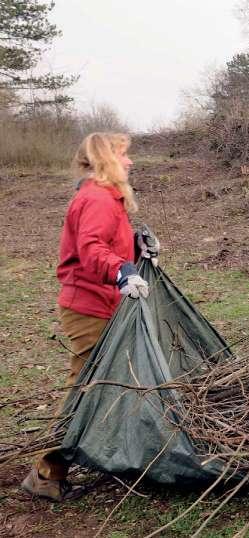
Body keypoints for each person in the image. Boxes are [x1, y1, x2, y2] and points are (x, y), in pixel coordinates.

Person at [21, 132, 158, 501]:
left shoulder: (106, 198)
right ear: (106, 159)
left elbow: (107, 242)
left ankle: (122, 455)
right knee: (85, 390)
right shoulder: (97, 198)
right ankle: (46, 472)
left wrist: (136, 246)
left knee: (108, 385)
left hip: (103, 305)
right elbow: (92, 248)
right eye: (123, 156)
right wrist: (121, 271)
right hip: (89, 308)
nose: (130, 162)